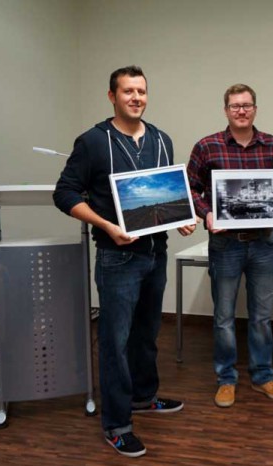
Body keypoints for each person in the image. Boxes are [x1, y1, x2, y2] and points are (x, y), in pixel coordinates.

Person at [53, 66, 193, 458]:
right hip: (118, 257)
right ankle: (117, 424)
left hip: (155, 253)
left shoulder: (162, 140)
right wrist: (106, 225)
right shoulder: (93, 142)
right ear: (111, 96)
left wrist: (180, 219)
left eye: (142, 91)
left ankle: (143, 398)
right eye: (128, 91)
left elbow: (167, 194)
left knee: (146, 334)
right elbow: (64, 194)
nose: (136, 98)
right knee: (114, 343)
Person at [186, 83, 273, 409]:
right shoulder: (207, 146)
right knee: (223, 317)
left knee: (261, 316)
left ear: (255, 109)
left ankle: (262, 376)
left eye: (246, 105)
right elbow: (190, 189)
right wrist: (206, 215)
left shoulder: (271, 145)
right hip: (225, 245)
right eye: (235, 106)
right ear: (226, 110)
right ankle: (226, 379)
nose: (241, 111)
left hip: (263, 243)